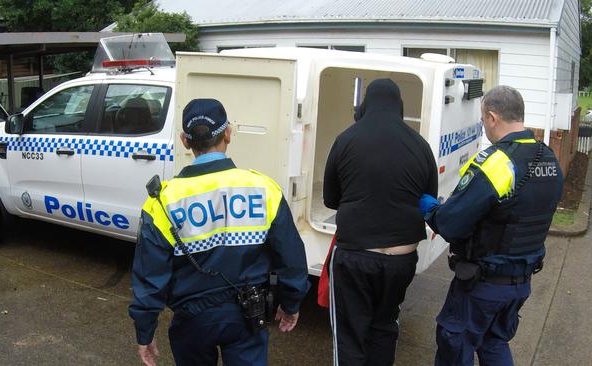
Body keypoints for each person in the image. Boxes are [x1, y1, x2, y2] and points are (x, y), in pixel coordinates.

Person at [129, 98, 310, 366]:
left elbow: (149, 275)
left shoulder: (163, 201)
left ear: (185, 141)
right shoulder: (263, 188)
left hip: (192, 321)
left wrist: (145, 331)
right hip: (248, 314)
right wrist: (291, 303)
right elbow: (291, 256)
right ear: (228, 134)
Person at [420, 85, 564, 366]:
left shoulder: (496, 162)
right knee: (494, 344)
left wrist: (429, 208)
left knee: (455, 347)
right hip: (519, 283)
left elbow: (450, 224)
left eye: (483, 118)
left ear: (492, 117)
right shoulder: (548, 159)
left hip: (482, 286)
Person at [323, 78, 438, 366]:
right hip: (401, 260)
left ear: (365, 105)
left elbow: (330, 199)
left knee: (350, 335)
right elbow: (428, 200)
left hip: (355, 256)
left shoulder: (346, 139)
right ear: (399, 106)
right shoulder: (420, 145)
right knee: (384, 328)